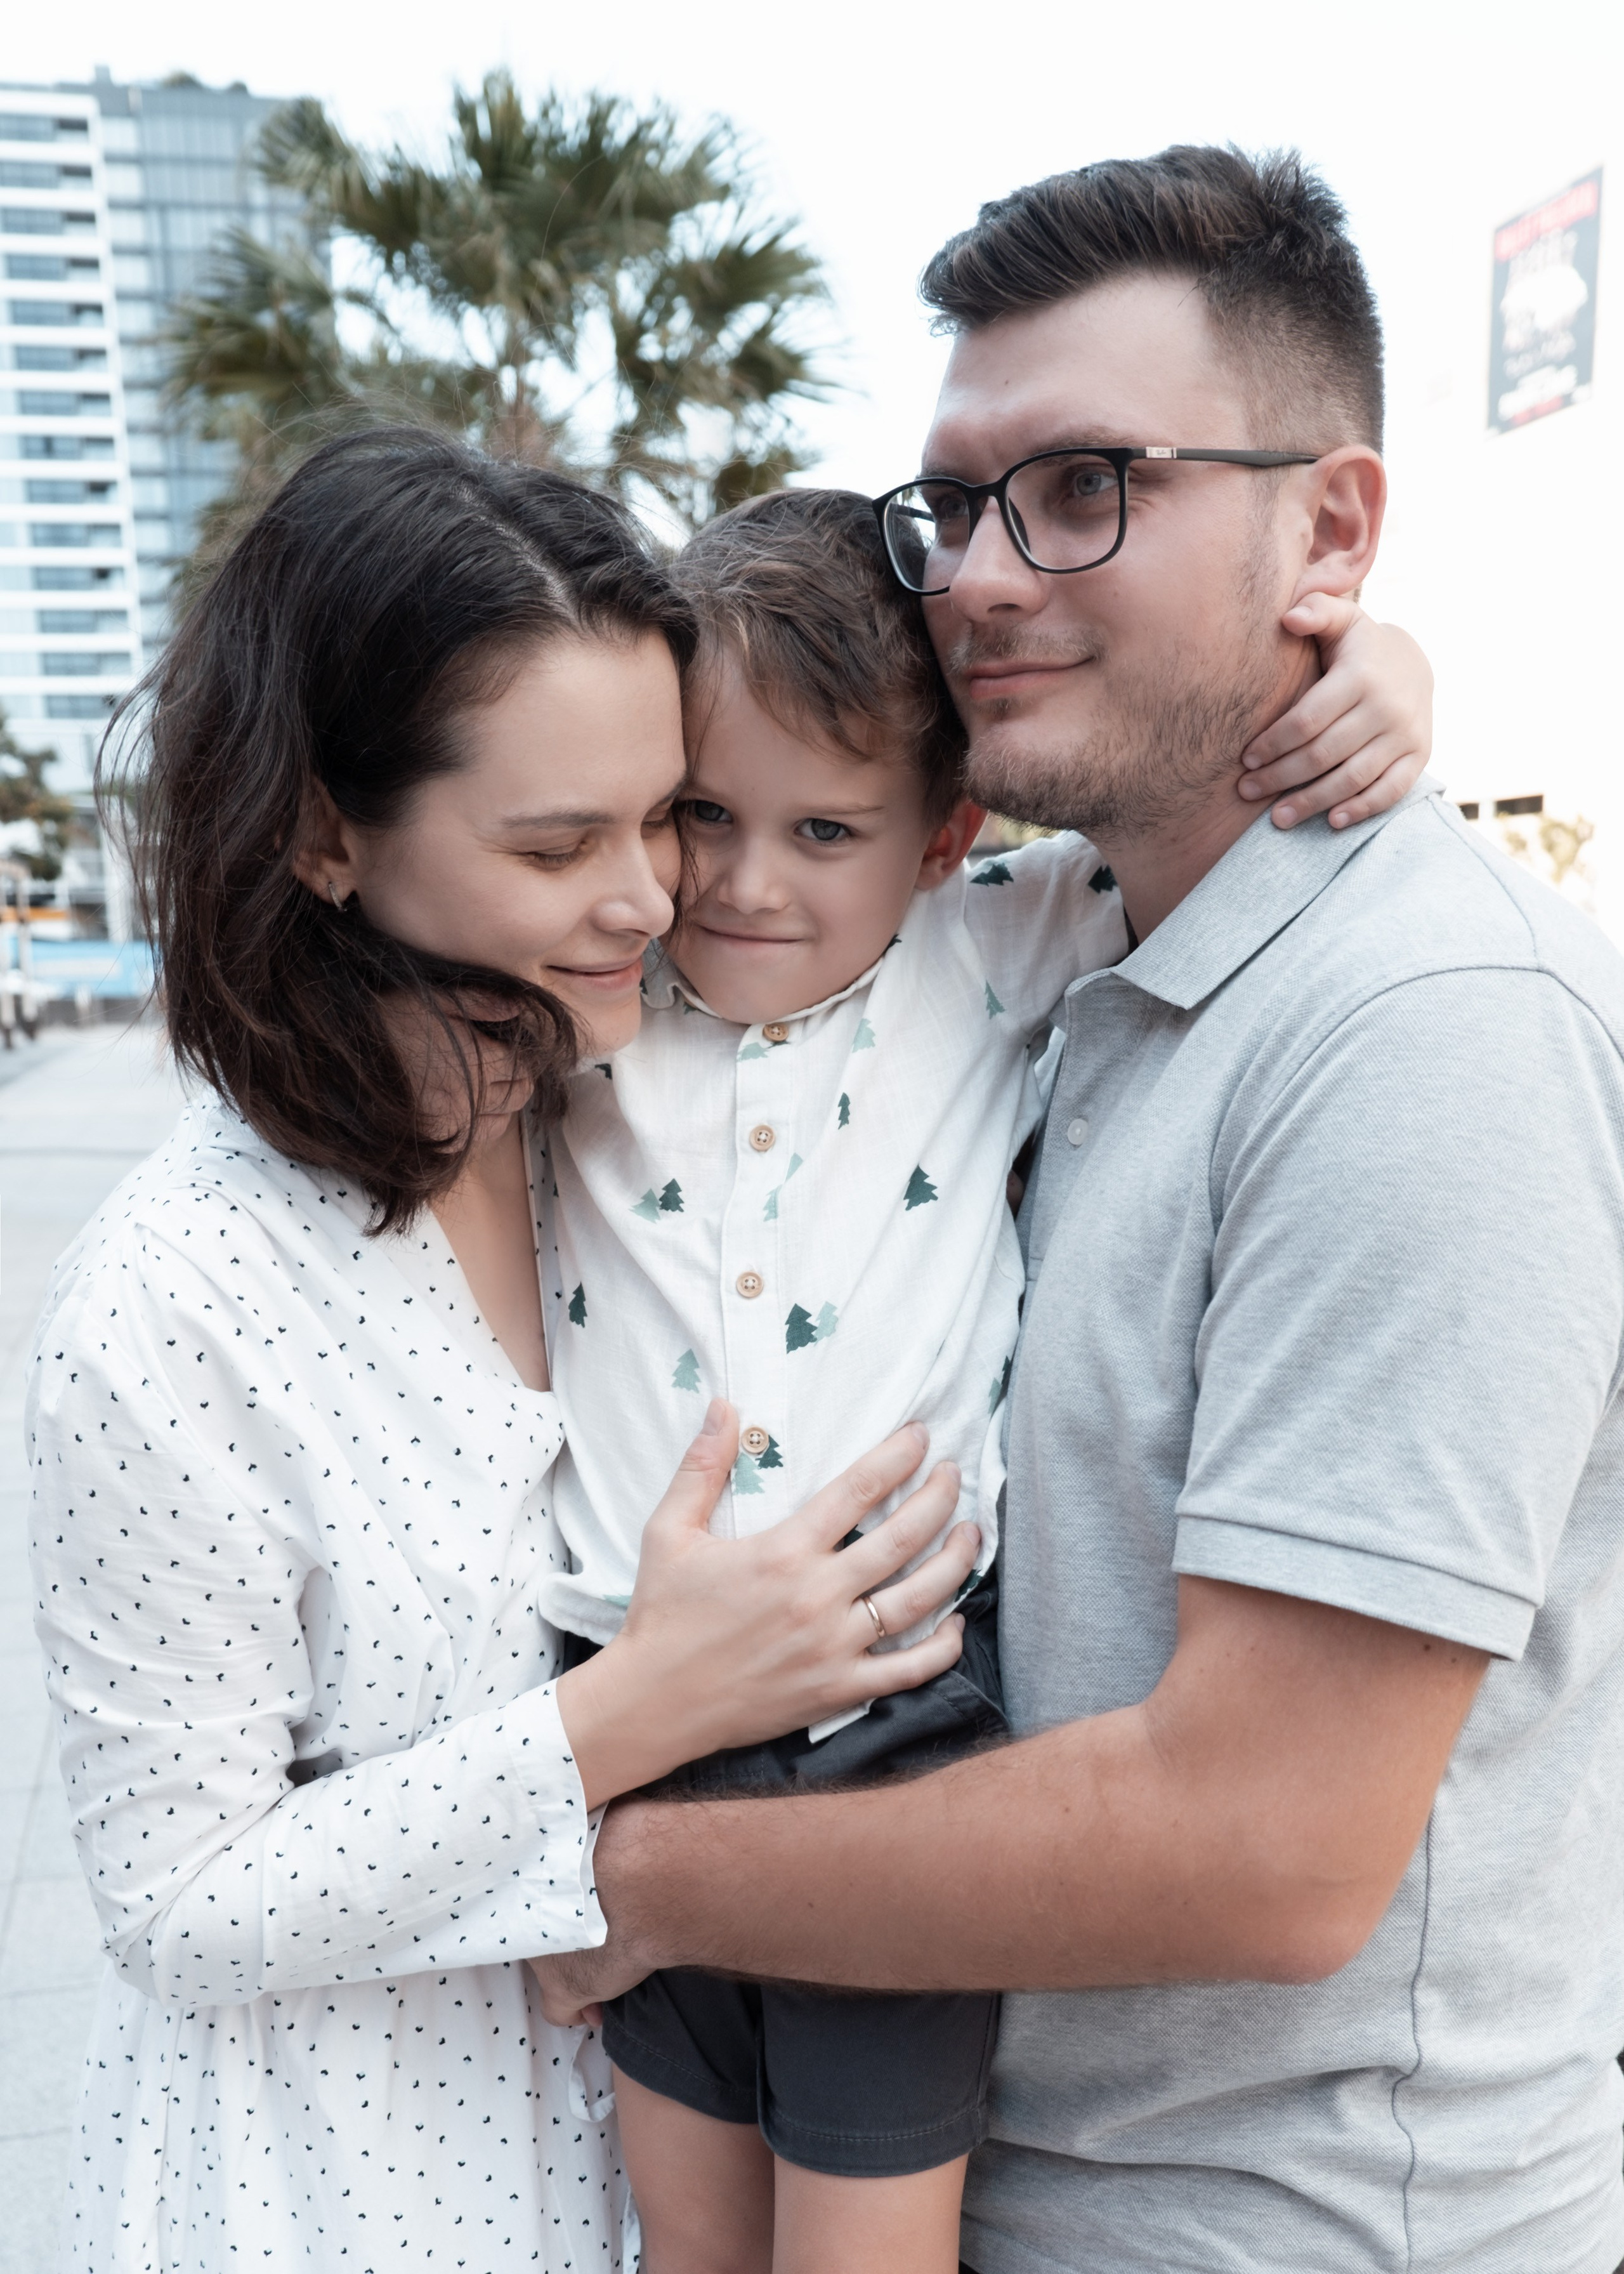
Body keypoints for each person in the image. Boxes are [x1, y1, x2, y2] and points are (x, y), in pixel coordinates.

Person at [534, 147, 1624, 2274]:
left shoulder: (1428, 1031)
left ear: (1331, 526)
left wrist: (620, 1878)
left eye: (1090, 485)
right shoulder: (1067, 964)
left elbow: (1269, 1849)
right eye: (958, 503)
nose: (987, 575)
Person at [24, 430, 983, 2274]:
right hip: (335, 2201)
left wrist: (1368, 691)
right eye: (560, 845)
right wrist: (650, 1705)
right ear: (322, 830)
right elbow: (177, 1900)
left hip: (633, 2175)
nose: (652, 899)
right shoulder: (175, 1303)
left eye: (666, 813)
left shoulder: (610, 1123)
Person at [535, 482, 1431, 2274]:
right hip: (621, 1707)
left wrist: (1384, 664)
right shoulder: (598, 991)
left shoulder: (992, 945)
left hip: (897, 1742)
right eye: (704, 813)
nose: (747, 879)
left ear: (942, 838)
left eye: (825, 828)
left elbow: (1236, 799)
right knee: (683, 2252)